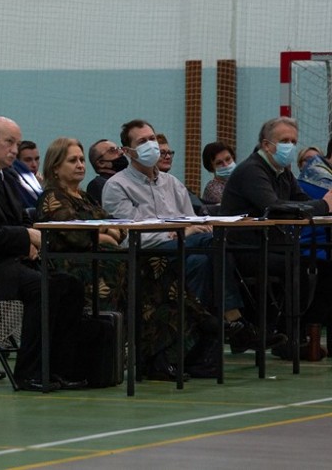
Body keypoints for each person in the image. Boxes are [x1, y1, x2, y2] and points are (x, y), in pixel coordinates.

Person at [35, 138, 218, 379]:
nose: (80, 165)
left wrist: (105, 232)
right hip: (79, 265)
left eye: (81, 159)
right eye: (72, 160)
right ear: (55, 167)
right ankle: (191, 330)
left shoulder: (84, 197)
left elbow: (119, 227)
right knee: (150, 272)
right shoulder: (52, 197)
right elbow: (74, 234)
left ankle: (168, 350)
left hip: (108, 258)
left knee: (158, 266)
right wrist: (104, 233)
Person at [102, 119, 282, 354]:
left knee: (201, 261)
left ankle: (198, 343)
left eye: (152, 139)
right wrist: (180, 234)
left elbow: (192, 221)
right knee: (213, 243)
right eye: (142, 141)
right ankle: (235, 318)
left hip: (185, 250)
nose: (151, 145)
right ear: (128, 151)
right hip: (146, 253)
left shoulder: (172, 183)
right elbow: (127, 236)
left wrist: (196, 228)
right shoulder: (117, 186)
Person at [0, 116, 85, 391]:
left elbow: (21, 217)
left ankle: (58, 367)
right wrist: (25, 237)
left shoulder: (6, 177)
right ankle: (29, 372)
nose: (14, 150)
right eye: (9, 142)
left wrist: (28, 238)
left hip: (9, 262)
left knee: (71, 285)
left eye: (16, 143)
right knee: (43, 287)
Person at [219, 117, 332, 346]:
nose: (290, 146)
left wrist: (323, 205)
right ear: (266, 145)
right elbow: (275, 207)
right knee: (301, 267)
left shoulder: (283, 172)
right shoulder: (252, 170)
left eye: (293, 141)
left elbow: (301, 201)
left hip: (274, 246)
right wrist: (325, 204)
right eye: (284, 141)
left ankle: (302, 334)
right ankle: (289, 335)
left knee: (323, 265)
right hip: (243, 250)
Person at [85, 139, 127, 204]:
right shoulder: (97, 185)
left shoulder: (129, 179)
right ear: (101, 163)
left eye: (119, 149)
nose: (121, 152)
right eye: (112, 151)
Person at [8, 140, 44, 211]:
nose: (34, 165)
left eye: (37, 159)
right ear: (17, 163)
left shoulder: (43, 184)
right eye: (28, 160)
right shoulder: (13, 186)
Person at [201, 141, 236, 207]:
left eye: (228, 159)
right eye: (219, 163)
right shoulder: (212, 189)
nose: (226, 165)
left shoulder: (240, 181)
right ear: (211, 168)